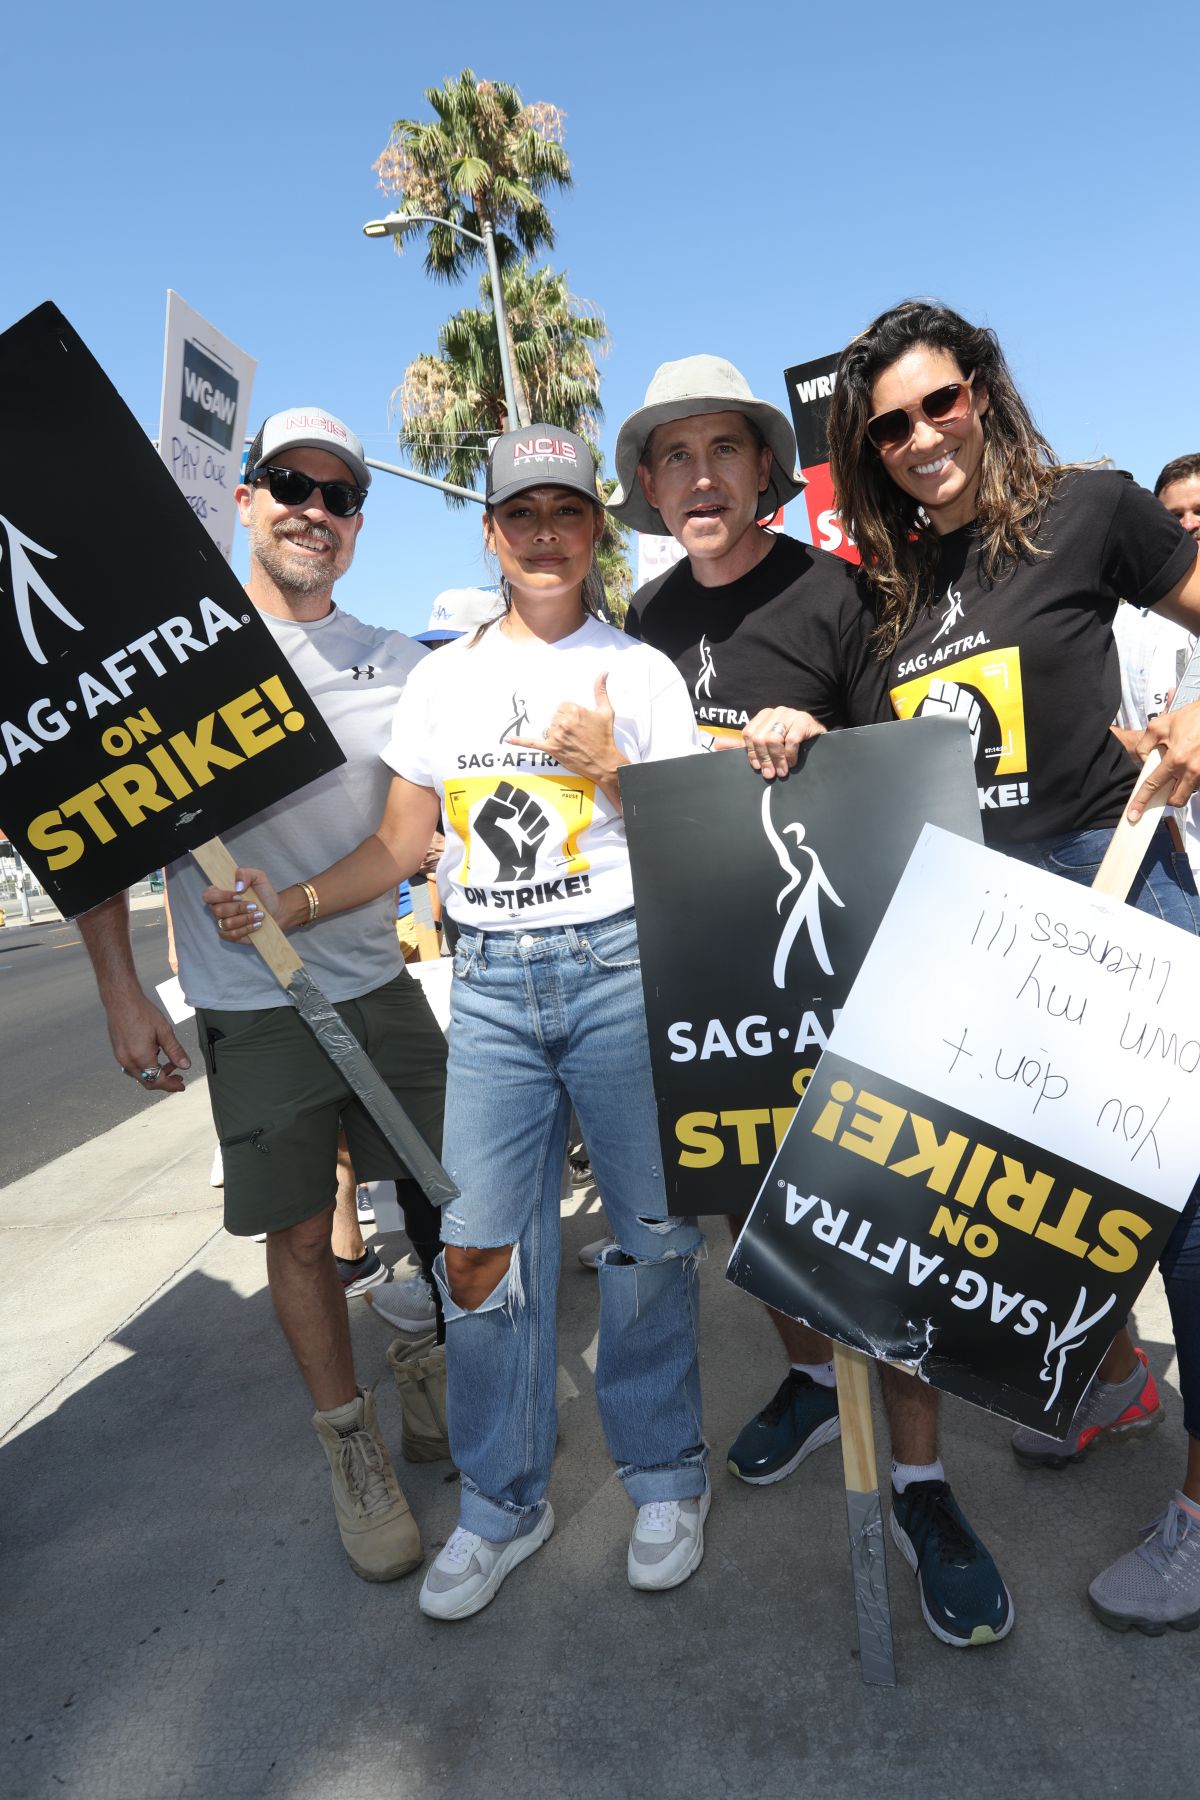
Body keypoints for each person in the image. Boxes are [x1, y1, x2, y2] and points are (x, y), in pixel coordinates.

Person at [204, 424, 709, 1622]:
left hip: (615, 970)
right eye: (520, 516)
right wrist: (296, 900)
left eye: (567, 515)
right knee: (479, 1254)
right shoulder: (441, 680)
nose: (544, 535)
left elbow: (698, 835)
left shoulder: (637, 673)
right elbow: (396, 843)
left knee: (649, 1240)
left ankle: (664, 1473)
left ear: (597, 532)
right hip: (487, 985)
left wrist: (615, 770)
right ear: (489, 533)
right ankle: (502, 1499)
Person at [824, 299, 1200, 1638]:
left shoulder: (1092, 510)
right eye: (891, 426)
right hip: (977, 922)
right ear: (867, 452)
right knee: (1044, 1198)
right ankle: (1109, 1387)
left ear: (983, 393)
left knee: (1187, 1214)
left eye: (941, 403)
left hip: (1118, 881)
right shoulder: (892, 600)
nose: (923, 436)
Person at [78, 408, 449, 1584]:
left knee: (445, 1202)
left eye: (340, 495)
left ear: (355, 526)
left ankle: (435, 1372)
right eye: (290, 483)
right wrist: (122, 992)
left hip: (374, 983)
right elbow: (89, 824)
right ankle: (352, 1447)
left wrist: (295, 905)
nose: (314, 509)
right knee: (300, 1233)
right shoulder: (172, 661)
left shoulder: (400, 664)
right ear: (245, 500)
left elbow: (405, 839)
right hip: (247, 1003)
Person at [605, 357, 886, 1500]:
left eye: (723, 449)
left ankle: (897, 1440)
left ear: (765, 465)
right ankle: (814, 1379)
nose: (702, 475)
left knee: (860, 1190)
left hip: (833, 944)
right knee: (740, 1191)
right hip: (704, 953)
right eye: (676, 456)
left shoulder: (836, 592)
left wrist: (816, 733)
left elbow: (897, 766)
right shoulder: (641, 619)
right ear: (652, 487)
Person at [1112, 453, 1200, 884]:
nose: (1189, 524)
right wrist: (1139, 746)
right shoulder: (1121, 624)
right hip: (1158, 863)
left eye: (1199, 511)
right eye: (1174, 516)